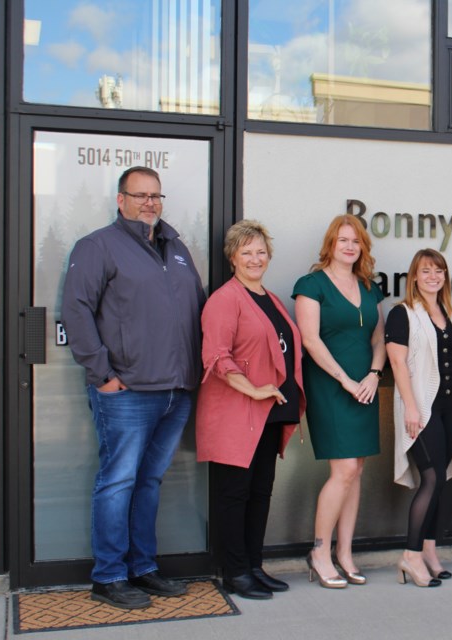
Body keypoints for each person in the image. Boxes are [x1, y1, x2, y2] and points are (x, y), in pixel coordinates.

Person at [61, 167, 205, 609]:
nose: (150, 203)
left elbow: (197, 307)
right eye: (140, 195)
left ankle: (143, 568)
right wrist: (104, 376)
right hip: (127, 391)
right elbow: (77, 312)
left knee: (149, 482)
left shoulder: (176, 248)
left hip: (175, 389)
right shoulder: (97, 246)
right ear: (120, 199)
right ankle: (108, 576)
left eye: (156, 195)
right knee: (118, 481)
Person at [196, 221, 306, 600]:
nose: (255, 258)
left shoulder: (270, 298)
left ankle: (254, 565)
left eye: (260, 252)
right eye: (246, 252)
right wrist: (253, 389)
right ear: (232, 258)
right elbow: (215, 356)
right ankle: (235, 572)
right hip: (237, 414)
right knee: (234, 494)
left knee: (260, 492)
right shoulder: (225, 299)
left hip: (270, 412)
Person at [293, 214, 386, 589]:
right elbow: (310, 340)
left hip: (364, 386)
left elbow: (378, 339)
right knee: (344, 469)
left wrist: (374, 375)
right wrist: (346, 380)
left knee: (357, 470)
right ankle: (319, 551)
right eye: (342, 240)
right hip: (331, 386)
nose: (349, 246)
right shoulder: (311, 284)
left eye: (356, 241)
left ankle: (345, 553)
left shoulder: (368, 286)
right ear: (330, 243)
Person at [386, 249, 452, 588]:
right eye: (426, 271)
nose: (433, 276)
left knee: (443, 479)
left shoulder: (449, 314)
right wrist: (410, 407)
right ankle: (410, 556)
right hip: (422, 408)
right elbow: (397, 364)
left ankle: (430, 552)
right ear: (415, 276)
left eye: (439, 271)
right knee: (432, 478)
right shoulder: (402, 314)